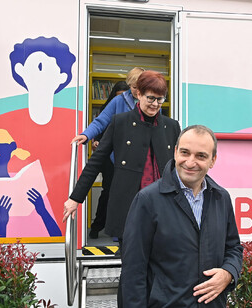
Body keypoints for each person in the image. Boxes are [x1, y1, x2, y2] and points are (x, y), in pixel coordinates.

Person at [121, 125, 243, 307]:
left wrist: (228, 273)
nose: (190, 162)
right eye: (185, 153)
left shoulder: (221, 198)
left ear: (213, 160)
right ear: (176, 152)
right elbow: (133, 271)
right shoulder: (148, 200)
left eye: (201, 156)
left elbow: (233, 247)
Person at [63, 70, 181, 248]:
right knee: (131, 266)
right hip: (129, 208)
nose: (155, 104)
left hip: (163, 209)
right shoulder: (120, 122)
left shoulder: (171, 127)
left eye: (160, 99)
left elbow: (180, 168)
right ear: (138, 94)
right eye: (150, 98)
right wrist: (75, 198)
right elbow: (95, 162)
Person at [71, 68, 143, 239]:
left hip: (140, 160)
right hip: (119, 160)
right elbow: (101, 121)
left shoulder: (150, 102)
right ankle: (119, 235)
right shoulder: (119, 101)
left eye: (139, 87)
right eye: (133, 87)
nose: (136, 91)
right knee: (117, 197)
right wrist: (86, 135)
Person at [88, 80, 129, 239]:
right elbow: (99, 127)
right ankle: (97, 226)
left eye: (124, 96)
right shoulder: (108, 109)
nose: (120, 100)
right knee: (108, 192)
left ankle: (119, 231)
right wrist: (95, 141)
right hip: (109, 158)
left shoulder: (132, 112)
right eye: (117, 96)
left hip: (125, 157)